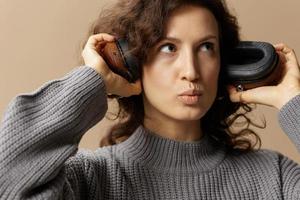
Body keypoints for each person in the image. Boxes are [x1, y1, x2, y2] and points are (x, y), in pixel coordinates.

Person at [1, 0, 300, 199]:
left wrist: (293, 102)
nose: (191, 71)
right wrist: (92, 81)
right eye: (168, 48)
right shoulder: (89, 179)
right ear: (132, 61)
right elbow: (8, 176)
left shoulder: (274, 177)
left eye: (206, 47)